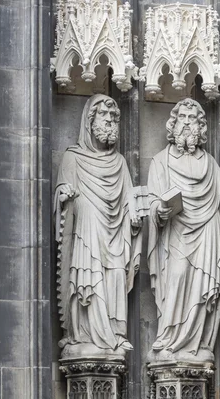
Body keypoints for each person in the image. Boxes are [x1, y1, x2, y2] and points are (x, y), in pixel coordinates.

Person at [147, 98, 220, 362]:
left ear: (201, 127)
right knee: (176, 278)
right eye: (182, 118)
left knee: (201, 288)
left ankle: (195, 342)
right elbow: (151, 199)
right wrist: (158, 211)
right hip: (176, 233)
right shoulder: (160, 161)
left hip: (207, 232)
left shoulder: (208, 162)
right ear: (173, 125)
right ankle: (170, 336)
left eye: (193, 119)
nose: (187, 124)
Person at [55, 94, 142, 356]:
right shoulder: (73, 158)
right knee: (88, 277)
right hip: (87, 233)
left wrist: (134, 217)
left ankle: (115, 332)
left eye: (114, 118)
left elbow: (129, 200)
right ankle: (83, 333)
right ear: (90, 121)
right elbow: (62, 194)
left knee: (115, 274)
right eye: (105, 117)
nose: (110, 122)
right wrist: (64, 197)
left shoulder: (120, 163)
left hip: (115, 235)